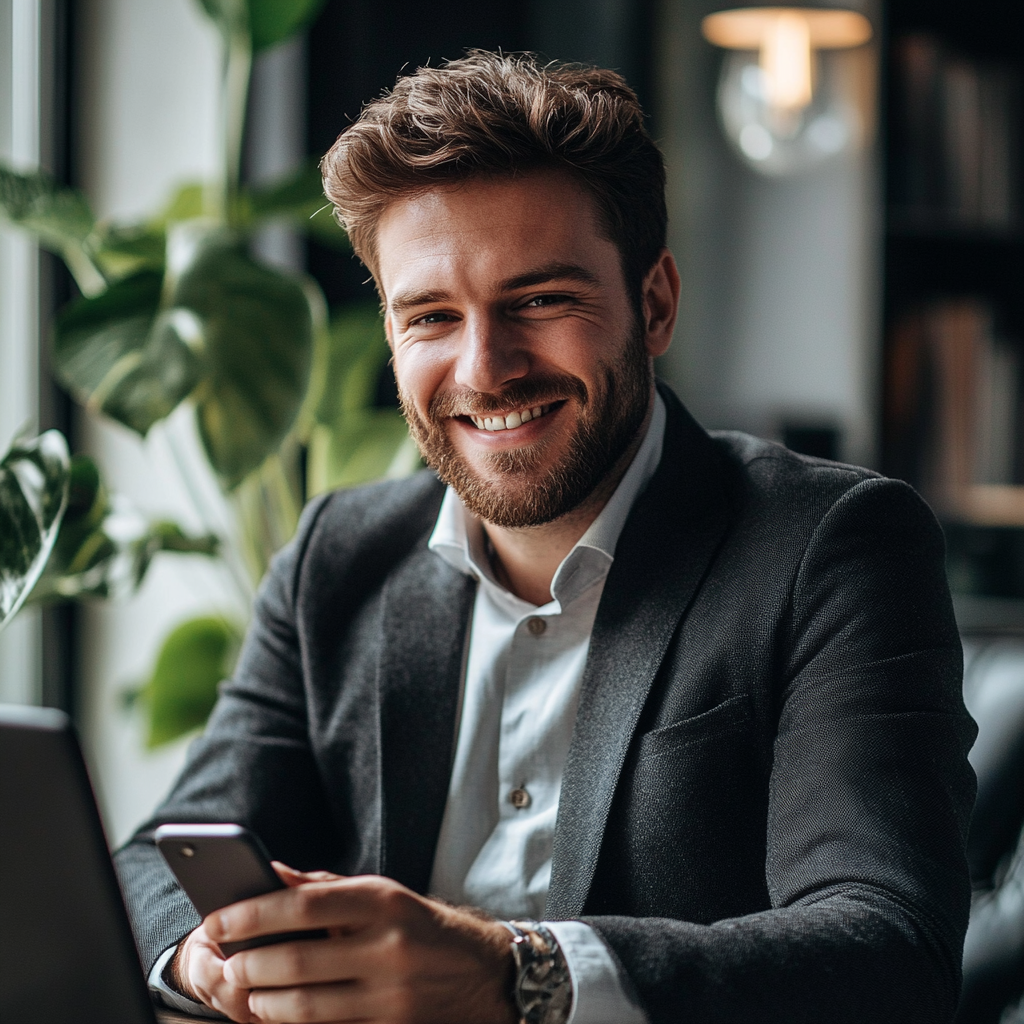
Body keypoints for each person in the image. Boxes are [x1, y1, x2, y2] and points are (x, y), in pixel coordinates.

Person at [116, 51, 977, 1024]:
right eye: (431, 315)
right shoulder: (335, 556)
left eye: (539, 300)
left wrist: (514, 976)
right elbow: (158, 856)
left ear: (653, 303)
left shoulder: (831, 547)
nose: (486, 369)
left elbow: (885, 951)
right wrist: (206, 960)